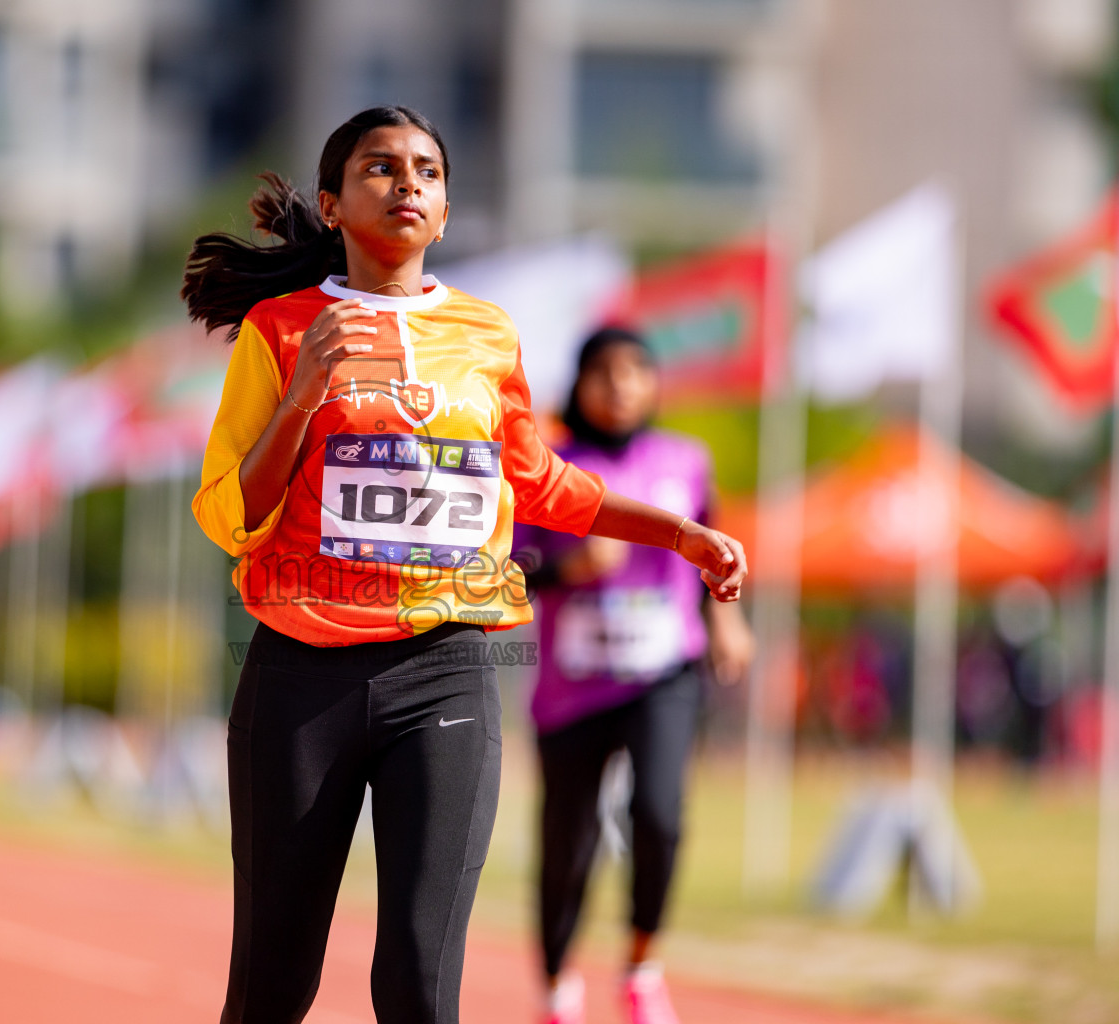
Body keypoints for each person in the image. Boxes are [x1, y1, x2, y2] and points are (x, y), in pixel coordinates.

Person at [181, 106, 749, 1024]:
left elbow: (540, 480)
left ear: (443, 215)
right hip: (298, 676)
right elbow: (228, 513)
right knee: (274, 985)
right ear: (331, 204)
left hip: (443, 671)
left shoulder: (488, 335)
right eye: (380, 168)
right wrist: (302, 398)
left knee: (417, 982)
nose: (408, 183)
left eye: (428, 172)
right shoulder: (282, 329)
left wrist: (677, 534)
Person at [513, 328, 756, 1024]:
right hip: (572, 689)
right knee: (568, 843)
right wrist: (567, 570)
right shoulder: (547, 466)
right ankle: (557, 984)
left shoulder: (687, 461)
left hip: (662, 673)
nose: (620, 385)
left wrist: (729, 619)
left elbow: (718, 551)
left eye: (635, 370)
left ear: (654, 383)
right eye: (603, 372)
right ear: (579, 383)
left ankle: (642, 966)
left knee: (660, 815)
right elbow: (507, 576)